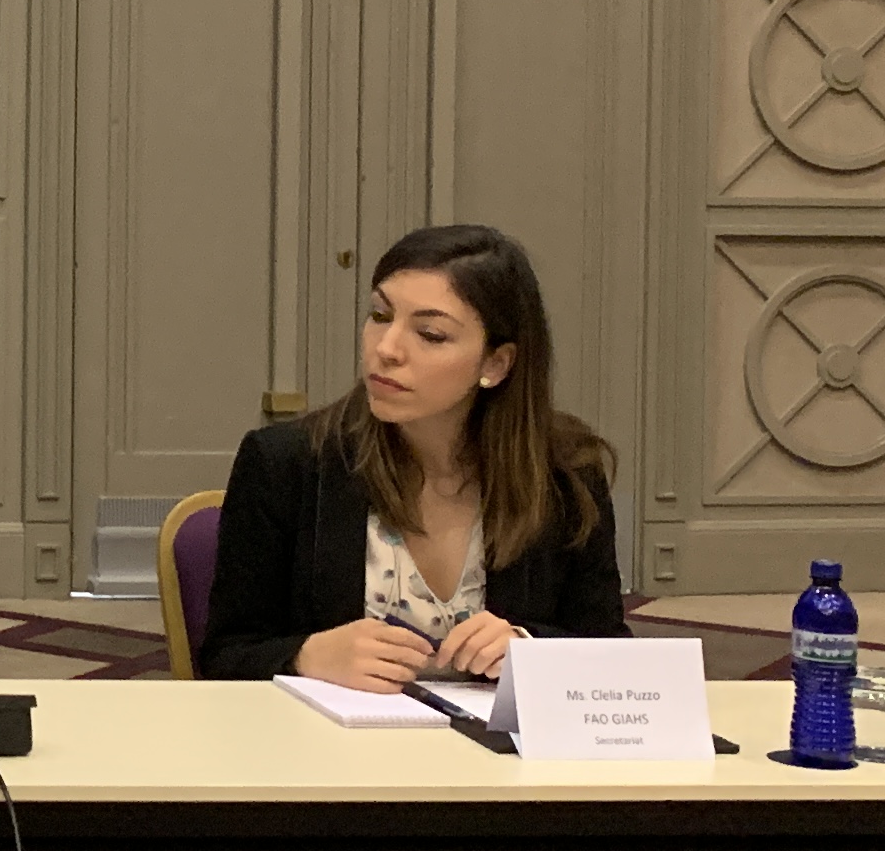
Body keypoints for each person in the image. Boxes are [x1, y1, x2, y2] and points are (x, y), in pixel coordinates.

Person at [197, 222, 627, 688]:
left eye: (430, 334)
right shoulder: (287, 463)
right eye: (380, 315)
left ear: (495, 363)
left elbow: (610, 654)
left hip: (495, 736)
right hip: (329, 734)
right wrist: (305, 656)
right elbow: (225, 657)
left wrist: (528, 648)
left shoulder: (565, 473)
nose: (386, 349)